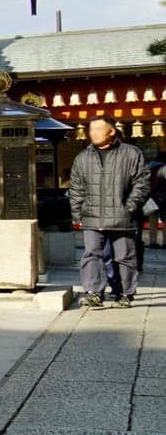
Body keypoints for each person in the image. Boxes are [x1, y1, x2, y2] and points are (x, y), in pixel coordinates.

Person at [68, 114, 149, 308]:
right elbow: (77, 188)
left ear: (111, 131)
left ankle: (125, 292)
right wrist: (78, 214)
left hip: (123, 217)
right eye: (91, 129)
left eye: (98, 129)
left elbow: (142, 183)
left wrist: (129, 207)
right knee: (91, 255)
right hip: (92, 217)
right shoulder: (82, 157)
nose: (93, 133)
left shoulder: (131, 153)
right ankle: (94, 292)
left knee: (125, 257)